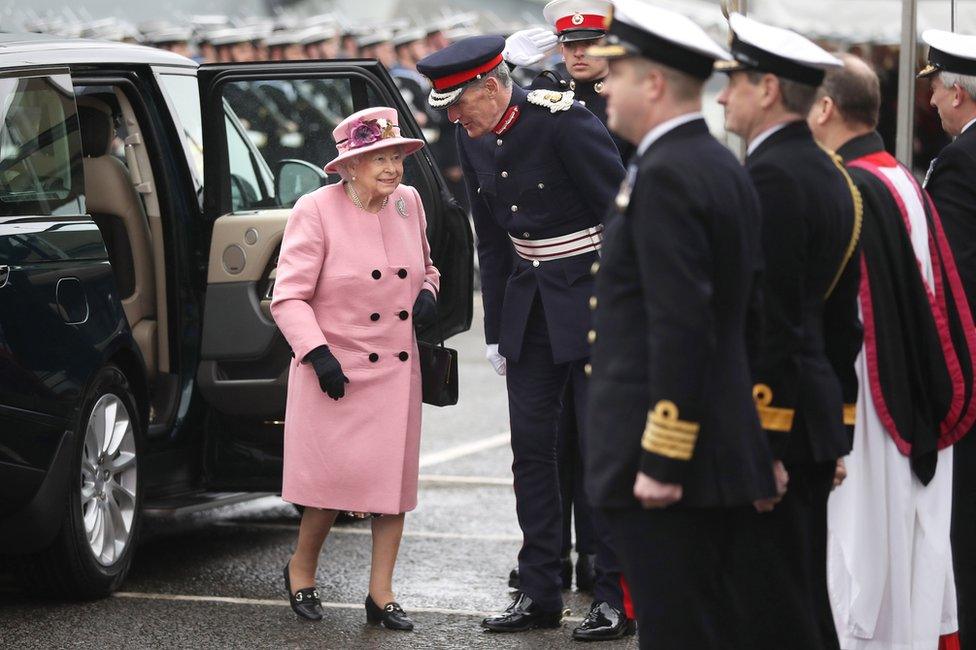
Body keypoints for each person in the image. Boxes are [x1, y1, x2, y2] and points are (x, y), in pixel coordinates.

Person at [417, 35, 630, 639]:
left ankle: (614, 594)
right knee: (532, 451)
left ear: (491, 85)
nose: (453, 117)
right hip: (530, 307)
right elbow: (488, 236)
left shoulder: (563, 122)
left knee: (600, 449)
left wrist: (622, 311)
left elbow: (619, 215)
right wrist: (495, 330)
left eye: (460, 102)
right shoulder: (471, 133)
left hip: (589, 298)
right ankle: (539, 588)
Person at [583, 2, 775, 647]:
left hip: (673, 463)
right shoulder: (715, 161)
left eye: (618, 73)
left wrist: (663, 457)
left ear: (655, 83)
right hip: (713, 447)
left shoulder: (669, 173)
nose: (603, 87)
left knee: (679, 631)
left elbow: (682, 323)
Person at [810, 51, 976, 650]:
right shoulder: (897, 175)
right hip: (905, 392)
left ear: (826, 108)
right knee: (903, 560)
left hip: (874, 405)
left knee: (865, 567)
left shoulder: (856, 188)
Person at [715, 14, 862, 650]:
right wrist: (838, 424)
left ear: (768, 88)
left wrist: (764, 445)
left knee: (769, 609)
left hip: (777, 428)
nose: (722, 96)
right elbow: (840, 325)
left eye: (734, 82)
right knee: (797, 599)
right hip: (811, 419)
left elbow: (769, 322)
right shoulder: (830, 172)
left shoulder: (772, 177)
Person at [270, 107, 440, 631]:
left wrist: (429, 293)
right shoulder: (315, 209)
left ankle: (381, 592)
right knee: (329, 487)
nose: (391, 168)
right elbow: (288, 296)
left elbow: (428, 266)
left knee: (392, 488)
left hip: (394, 366)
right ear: (348, 165)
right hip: (334, 365)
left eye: (396, 157)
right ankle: (301, 569)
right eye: (377, 158)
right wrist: (317, 354)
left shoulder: (409, 204)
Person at [920, 28, 976, 650]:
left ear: (957, 93)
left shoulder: (961, 160)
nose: (930, 100)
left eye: (935, 87)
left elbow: (951, 278)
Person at [505, 0, 635, 161]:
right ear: (562, 50)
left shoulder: (628, 103)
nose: (579, 53)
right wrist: (504, 64)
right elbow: (494, 108)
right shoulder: (547, 94)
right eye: (570, 44)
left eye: (589, 43)